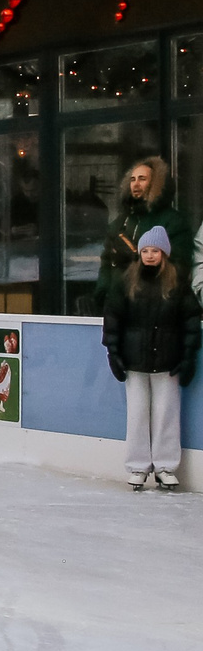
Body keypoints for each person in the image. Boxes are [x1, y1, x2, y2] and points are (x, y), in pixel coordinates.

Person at [103, 225, 199, 490]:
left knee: (167, 413)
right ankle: (138, 467)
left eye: (154, 250)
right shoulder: (126, 281)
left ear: (163, 253)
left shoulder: (177, 282)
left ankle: (166, 466)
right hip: (135, 362)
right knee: (137, 414)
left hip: (168, 361)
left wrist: (188, 356)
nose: (149, 255)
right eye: (145, 250)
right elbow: (113, 319)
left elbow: (191, 319)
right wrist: (114, 353)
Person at [96, 155, 189, 314]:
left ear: (155, 183)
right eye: (132, 179)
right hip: (119, 304)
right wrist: (102, 292)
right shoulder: (121, 221)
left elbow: (180, 263)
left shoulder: (172, 220)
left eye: (142, 179)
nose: (136, 184)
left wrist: (135, 258)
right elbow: (106, 262)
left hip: (156, 305)